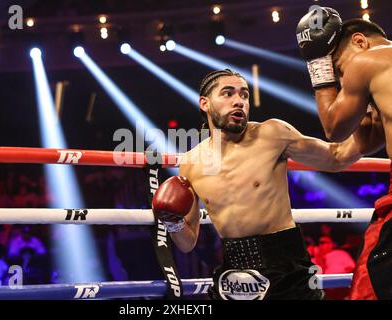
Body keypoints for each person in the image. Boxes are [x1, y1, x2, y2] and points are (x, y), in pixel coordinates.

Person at [151, 69, 382, 300]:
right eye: (228, 94)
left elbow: (336, 157)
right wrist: (173, 222)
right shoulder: (191, 162)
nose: (239, 101)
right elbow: (187, 243)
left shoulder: (272, 134)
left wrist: (375, 116)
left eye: (244, 95)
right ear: (205, 103)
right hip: (233, 270)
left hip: (286, 264)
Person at [297, 6, 391, 299]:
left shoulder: (367, 61)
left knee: (368, 289)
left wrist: (318, 65)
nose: (341, 82)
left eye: (338, 69)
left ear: (360, 42)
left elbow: (334, 128)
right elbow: (345, 151)